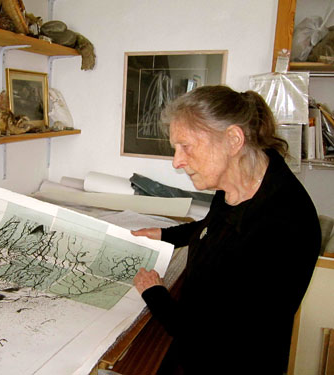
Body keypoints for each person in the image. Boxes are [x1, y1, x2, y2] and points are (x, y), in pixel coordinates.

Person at [132, 85, 321, 375]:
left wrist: (154, 292)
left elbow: (215, 336)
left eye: (186, 146)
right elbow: (214, 226)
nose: (176, 161)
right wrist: (165, 235)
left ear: (233, 139)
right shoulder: (239, 178)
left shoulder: (283, 225)